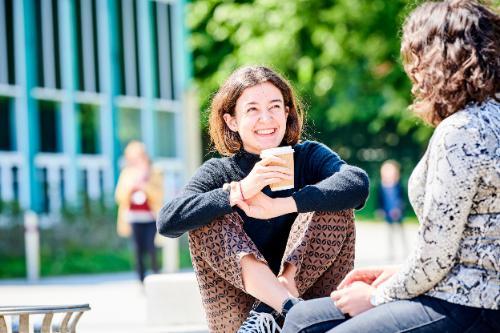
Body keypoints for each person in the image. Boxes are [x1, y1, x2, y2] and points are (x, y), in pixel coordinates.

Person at [282, 0, 500, 332]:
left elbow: (438, 258)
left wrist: (376, 296)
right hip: (458, 290)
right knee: (301, 317)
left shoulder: (462, 131)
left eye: (416, 59)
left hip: (468, 305)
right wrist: (398, 272)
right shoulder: (488, 116)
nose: (413, 73)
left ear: (439, 60)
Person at [157, 65, 369, 332]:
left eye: (275, 107)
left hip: (310, 304)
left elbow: (357, 183)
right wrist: (241, 190)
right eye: (253, 109)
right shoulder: (220, 171)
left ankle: (284, 305)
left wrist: (281, 205)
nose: (266, 119)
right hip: (243, 319)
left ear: (287, 111)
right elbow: (168, 220)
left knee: (332, 199)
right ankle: (283, 307)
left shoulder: (309, 156)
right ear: (231, 120)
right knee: (209, 211)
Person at [115, 141, 164, 283]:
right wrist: (131, 188)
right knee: (138, 250)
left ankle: (156, 276)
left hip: (151, 217)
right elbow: (119, 196)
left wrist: (145, 186)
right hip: (133, 217)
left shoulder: (155, 172)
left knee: (151, 247)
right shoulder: (127, 174)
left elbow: (159, 195)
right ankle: (141, 280)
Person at [377, 160, 408, 261]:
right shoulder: (381, 185)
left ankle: (405, 251)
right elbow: (379, 199)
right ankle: (391, 252)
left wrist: (399, 209)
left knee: (401, 232)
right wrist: (380, 209)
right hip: (387, 211)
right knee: (390, 233)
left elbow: (402, 199)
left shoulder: (398, 185)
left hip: (397, 212)